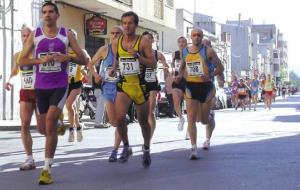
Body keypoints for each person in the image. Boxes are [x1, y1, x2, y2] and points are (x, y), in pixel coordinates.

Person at [18, 2, 88, 185]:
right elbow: (22, 60)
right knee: (43, 129)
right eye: (44, 12)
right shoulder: (36, 35)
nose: (47, 15)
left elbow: (84, 59)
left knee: (49, 121)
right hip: (40, 87)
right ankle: (58, 127)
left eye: (51, 12)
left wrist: (69, 57)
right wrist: (39, 61)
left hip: (60, 85)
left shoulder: (67, 35)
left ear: (57, 15)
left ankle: (47, 169)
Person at [110, 11, 155, 167]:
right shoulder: (117, 41)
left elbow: (153, 63)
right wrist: (113, 69)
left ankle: (147, 148)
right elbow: (117, 57)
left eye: (130, 23)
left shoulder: (143, 42)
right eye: (124, 23)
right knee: (119, 117)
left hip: (140, 86)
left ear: (135, 25)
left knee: (143, 121)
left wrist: (138, 57)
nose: (127, 26)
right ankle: (127, 146)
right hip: (124, 84)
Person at [178, 28, 224, 159]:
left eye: (199, 35)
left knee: (203, 121)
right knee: (191, 119)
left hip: (206, 88)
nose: (196, 37)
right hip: (191, 87)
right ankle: (193, 148)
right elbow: (182, 66)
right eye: (194, 35)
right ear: (190, 37)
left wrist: (210, 75)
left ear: (202, 36)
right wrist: (179, 75)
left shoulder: (208, 51)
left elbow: (220, 67)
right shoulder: (185, 51)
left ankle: (209, 118)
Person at [4, 25, 41, 170]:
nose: (26, 38)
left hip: (41, 92)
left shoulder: (40, 53)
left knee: (42, 128)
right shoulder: (18, 55)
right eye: (23, 35)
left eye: (28, 35)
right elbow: (14, 72)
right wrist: (10, 82)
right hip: (26, 91)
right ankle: (29, 159)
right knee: (24, 123)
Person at [88, 25, 123, 162]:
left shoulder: (127, 50)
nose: (114, 35)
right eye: (112, 33)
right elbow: (90, 64)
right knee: (113, 121)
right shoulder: (104, 50)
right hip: (107, 87)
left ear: (122, 35)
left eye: (117, 33)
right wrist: (96, 75)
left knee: (119, 120)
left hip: (122, 88)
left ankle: (114, 150)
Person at [142, 31, 169, 139]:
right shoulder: (136, 53)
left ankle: (149, 138)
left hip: (152, 83)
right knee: (142, 114)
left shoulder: (158, 54)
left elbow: (166, 65)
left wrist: (167, 71)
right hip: (138, 84)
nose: (146, 40)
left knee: (150, 112)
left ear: (153, 40)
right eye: (144, 38)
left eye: (149, 38)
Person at [66, 29, 89, 142]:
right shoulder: (63, 52)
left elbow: (87, 64)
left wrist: (85, 71)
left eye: (72, 36)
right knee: (72, 107)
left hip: (77, 83)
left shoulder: (81, 52)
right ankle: (78, 127)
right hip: (64, 83)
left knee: (69, 105)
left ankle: (71, 130)